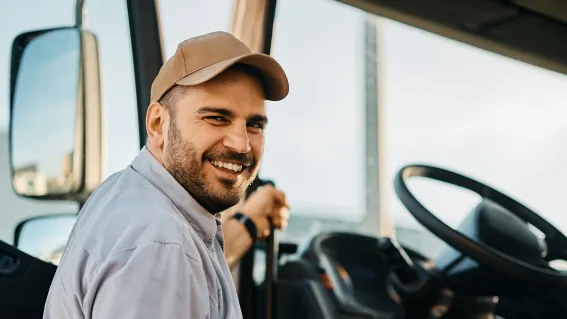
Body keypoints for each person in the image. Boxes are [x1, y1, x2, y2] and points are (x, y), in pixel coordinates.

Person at [43, 31, 290, 319]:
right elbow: (170, 253)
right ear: (158, 124)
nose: (241, 143)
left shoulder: (129, 196)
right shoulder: (161, 245)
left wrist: (248, 223)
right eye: (216, 118)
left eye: (254, 125)